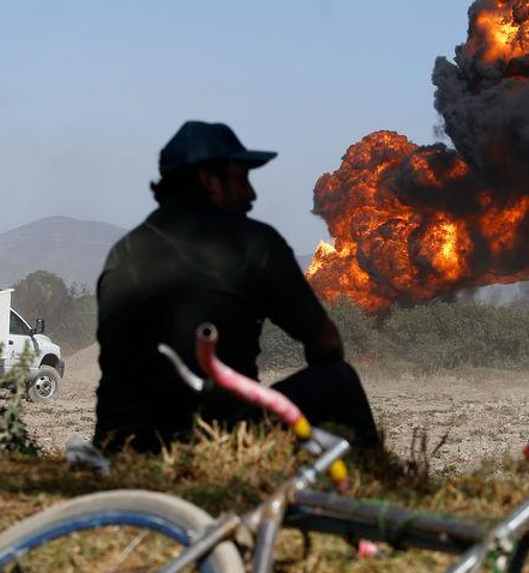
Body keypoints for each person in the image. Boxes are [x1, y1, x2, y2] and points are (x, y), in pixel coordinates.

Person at [94, 121, 381, 453]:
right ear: (209, 181)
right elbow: (326, 343)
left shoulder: (122, 253)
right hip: (218, 439)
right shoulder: (252, 242)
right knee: (338, 378)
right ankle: (376, 483)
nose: (252, 195)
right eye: (241, 179)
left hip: (119, 446)